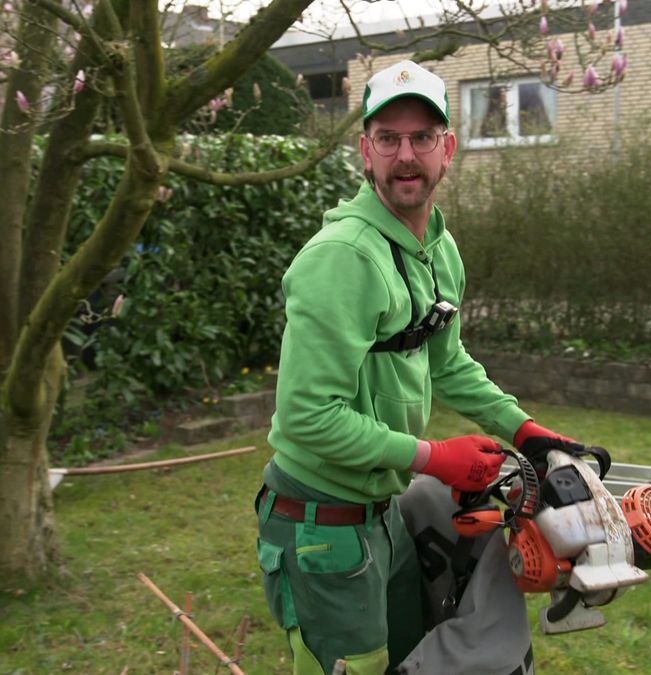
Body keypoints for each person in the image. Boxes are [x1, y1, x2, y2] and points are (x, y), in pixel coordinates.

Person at [254, 60, 582, 675]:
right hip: (323, 523)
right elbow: (305, 419)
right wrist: (436, 457)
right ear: (365, 152)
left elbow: (448, 361)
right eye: (388, 138)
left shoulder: (436, 249)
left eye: (422, 137)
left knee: (409, 656)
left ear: (447, 148)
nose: (406, 155)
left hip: (382, 511)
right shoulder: (342, 259)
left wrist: (522, 429)